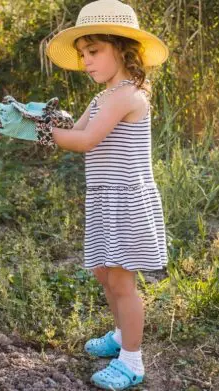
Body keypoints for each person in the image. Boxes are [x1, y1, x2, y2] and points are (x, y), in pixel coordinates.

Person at [37, 1, 170, 389]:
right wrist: (43, 119)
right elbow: (73, 129)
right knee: (103, 272)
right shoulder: (102, 97)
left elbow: (86, 141)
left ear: (122, 49)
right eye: (82, 54)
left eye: (94, 51)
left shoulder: (128, 96)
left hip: (127, 199)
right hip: (104, 197)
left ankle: (132, 361)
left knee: (122, 282)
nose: (87, 61)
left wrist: (36, 133)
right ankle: (119, 334)